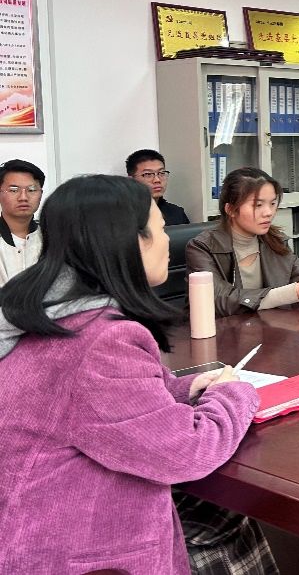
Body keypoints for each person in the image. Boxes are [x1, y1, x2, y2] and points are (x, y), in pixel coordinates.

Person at [0, 174, 260, 574]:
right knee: (231, 518)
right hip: (74, 544)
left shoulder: (47, 310)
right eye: (160, 230)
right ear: (130, 241)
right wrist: (233, 394)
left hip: (31, 518)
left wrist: (186, 388)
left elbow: (90, 405)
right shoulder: (103, 340)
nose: (168, 241)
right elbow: (186, 453)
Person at [186, 167, 299, 316]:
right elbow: (217, 300)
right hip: (220, 329)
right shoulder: (202, 247)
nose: (268, 213)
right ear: (230, 209)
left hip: (267, 326)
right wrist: (293, 293)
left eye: (272, 203)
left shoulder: (275, 240)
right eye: (258, 205)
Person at [0, 159, 44, 286]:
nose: (23, 197)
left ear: (41, 194)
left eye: (31, 190)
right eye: (14, 190)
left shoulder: (51, 238)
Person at [127, 149, 190, 225]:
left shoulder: (177, 213)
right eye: (148, 174)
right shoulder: (120, 214)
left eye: (161, 173)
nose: (157, 180)